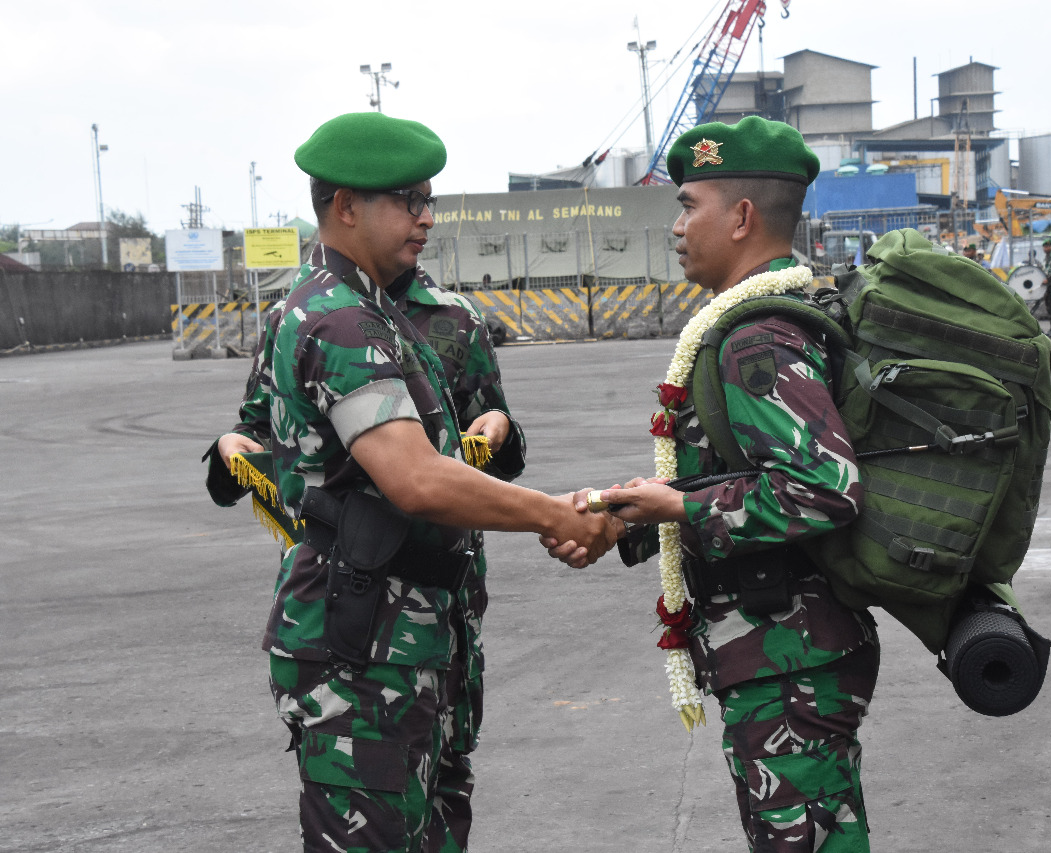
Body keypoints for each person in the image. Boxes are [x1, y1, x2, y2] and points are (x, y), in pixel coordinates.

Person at [232, 111, 613, 853]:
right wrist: (555, 515)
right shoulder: (336, 321)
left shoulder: (380, 312)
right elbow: (415, 477)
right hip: (363, 654)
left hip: (406, 637)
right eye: (408, 200)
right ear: (345, 206)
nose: (427, 218)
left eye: (428, 199)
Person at [557, 116, 879, 852]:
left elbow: (825, 487)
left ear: (740, 218)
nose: (676, 224)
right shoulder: (758, 321)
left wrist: (678, 504)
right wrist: (636, 517)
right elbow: (730, 472)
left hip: (791, 656)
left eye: (687, 204)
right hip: (785, 651)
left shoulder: (756, 337)